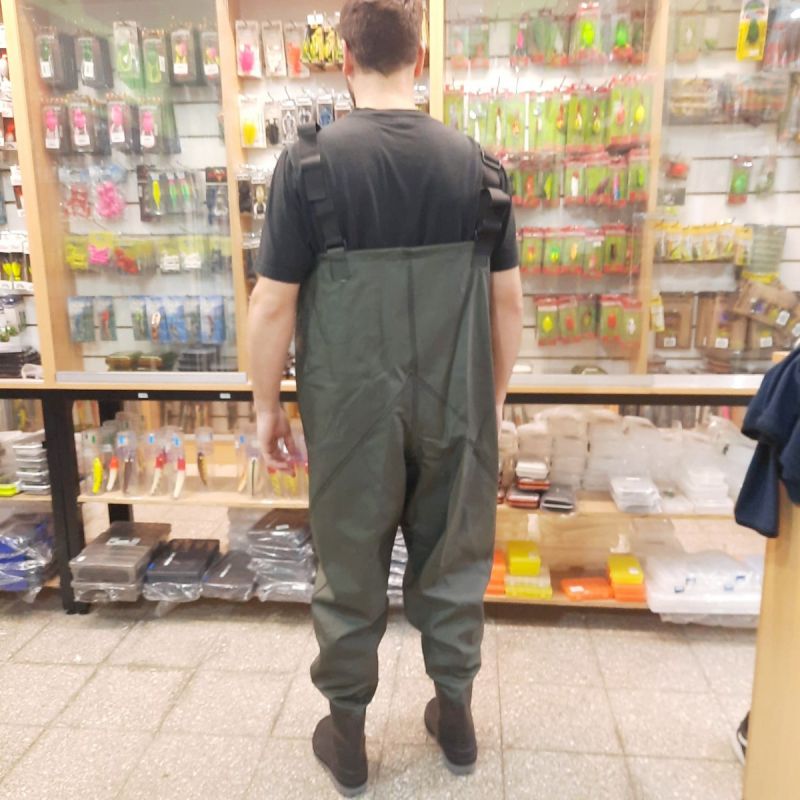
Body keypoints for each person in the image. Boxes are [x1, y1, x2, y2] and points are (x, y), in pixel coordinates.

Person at [247, 0, 523, 795]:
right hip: (455, 404)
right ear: (419, 58)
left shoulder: (307, 168)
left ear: (345, 59)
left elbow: (271, 305)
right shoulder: (480, 169)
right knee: (453, 556)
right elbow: (508, 306)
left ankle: (347, 736)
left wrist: (266, 407)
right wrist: (490, 401)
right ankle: (456, 717)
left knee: (349, 563)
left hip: (350, 409)